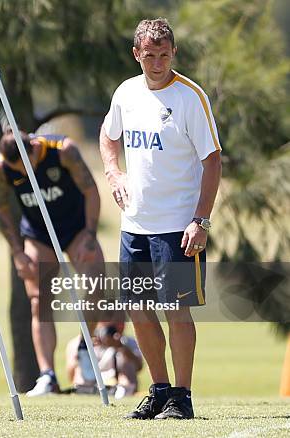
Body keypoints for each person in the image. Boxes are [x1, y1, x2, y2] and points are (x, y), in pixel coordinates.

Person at [99, 18, 222, 419]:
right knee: (137, 308)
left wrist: (200, 221)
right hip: (135, 224)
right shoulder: (126, 92)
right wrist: (114, 172)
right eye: (148, 55)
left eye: (163, 55)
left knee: (176, 309)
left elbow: (212, 160)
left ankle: (182, 397)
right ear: (136, 54)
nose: (156, 63)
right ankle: (159, 389)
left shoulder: (190, 97)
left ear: (174, 53)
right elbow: (108, 135)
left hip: (178, 225)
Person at [0, 130, 104, 396]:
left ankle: (85, 350)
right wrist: (18, 252)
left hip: (76, 228)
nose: (24, 174)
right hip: (38, 234)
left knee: (97, 285)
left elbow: (91, 190)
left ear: (32, 148)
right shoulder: (0, 167)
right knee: (39, 300)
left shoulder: (63, 151)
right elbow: (1, 209)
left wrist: (89, 234)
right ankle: (47, 376)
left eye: (26, 167)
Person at [65, 320, 142, 399]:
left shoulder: (128, 342)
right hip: (90, 385)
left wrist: (121, 347)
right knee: (80, 367)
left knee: (126, 363)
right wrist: (86, 351)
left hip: (119, 387)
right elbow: (72, 374)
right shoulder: (79, 343)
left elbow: (139, 366)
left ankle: (124, 393)